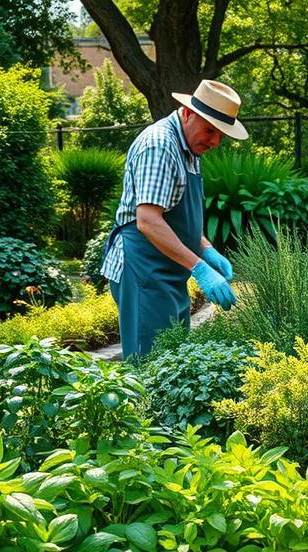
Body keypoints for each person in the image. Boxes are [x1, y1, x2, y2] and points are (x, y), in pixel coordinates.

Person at [101, 79, 248, 359]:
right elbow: (148, 221)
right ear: (188, 113)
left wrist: (206, 248)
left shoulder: (190, 148)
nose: (215, 142)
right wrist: (200, 268)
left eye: (221, 135)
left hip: (168, 271)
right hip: (144, 270)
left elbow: (177, 215)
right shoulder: (159, 146)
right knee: (150, 367)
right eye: (210, 131)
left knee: (173, 361)